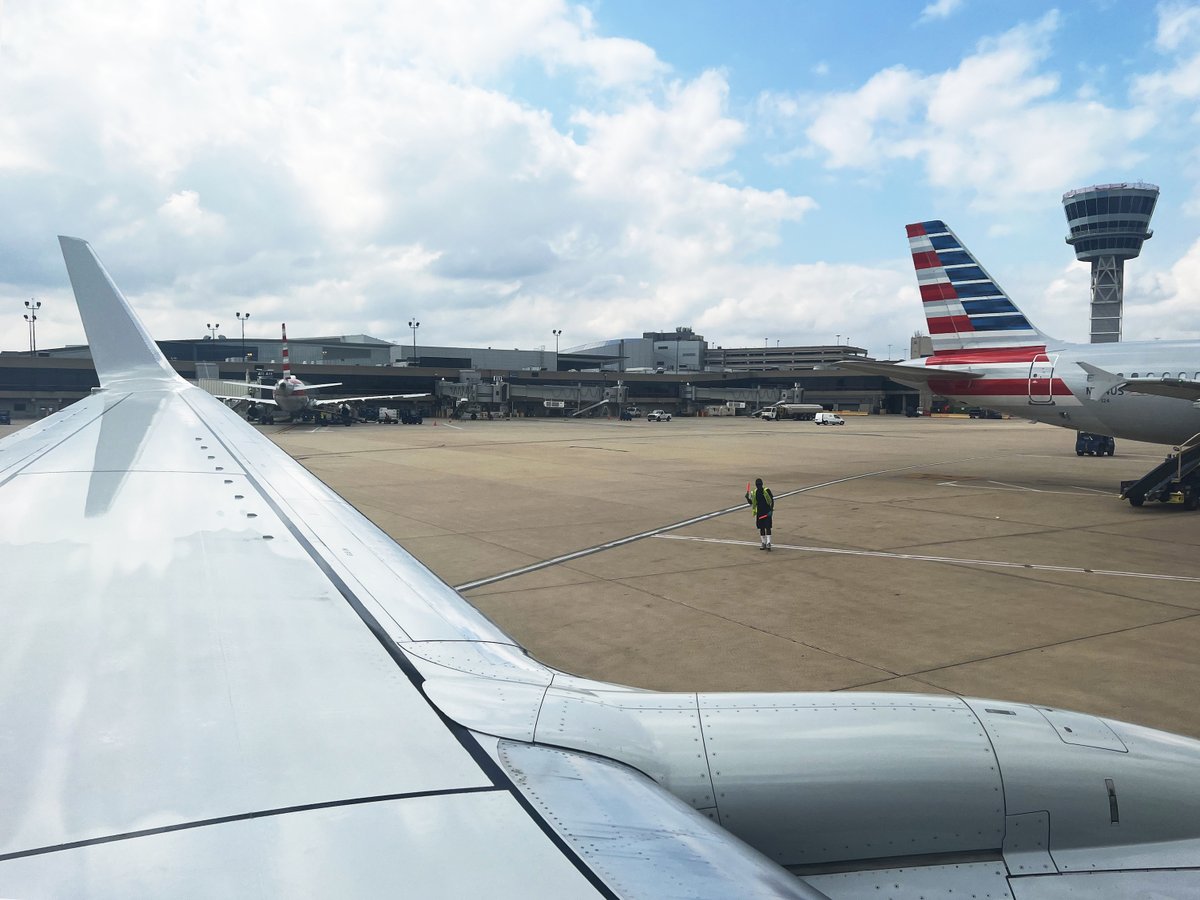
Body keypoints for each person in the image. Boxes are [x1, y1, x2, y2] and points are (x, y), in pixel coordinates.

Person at [745, 477, 775, 551]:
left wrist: (771, 510)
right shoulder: (754, 492)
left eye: (760, 484)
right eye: (757, 484)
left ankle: (768, 543)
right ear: (756, 485)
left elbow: (772, 500)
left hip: (767, 512)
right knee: (761, 528)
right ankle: (763, 542)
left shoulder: (766, 490)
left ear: (762, 484)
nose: (759, 485)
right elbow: (752, 503)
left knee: (768, 527)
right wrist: (747, 498)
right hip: (760, 512)